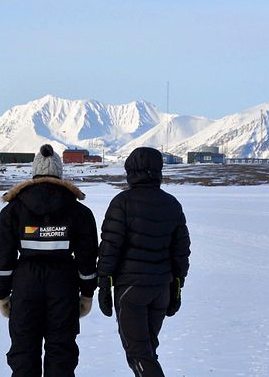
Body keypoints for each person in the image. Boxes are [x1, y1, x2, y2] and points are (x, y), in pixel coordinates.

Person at [0, 144, 98, 377]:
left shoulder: (13, 210)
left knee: (23, 353)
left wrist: (2, 294)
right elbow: (87, 258)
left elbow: (3, 256)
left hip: (25, 286)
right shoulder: (79, 212)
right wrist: (87, 293)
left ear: (34, 173)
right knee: (61, 353)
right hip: (64, 286)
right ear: (59, 173)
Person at [97, 146, 190, 377]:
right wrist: (177, 287)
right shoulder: (172, 204)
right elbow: (181, 252)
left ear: (131, 170)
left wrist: (103, 285)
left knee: (139, 354)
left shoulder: (122, 203)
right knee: (148, 350)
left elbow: (109, 248)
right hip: (161, 289)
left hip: (131, 290)